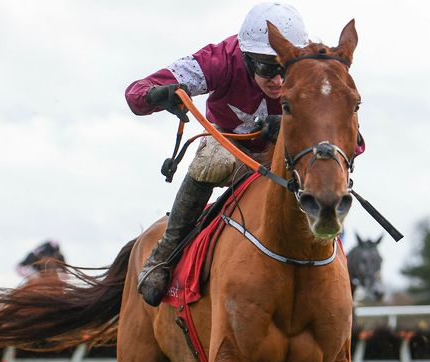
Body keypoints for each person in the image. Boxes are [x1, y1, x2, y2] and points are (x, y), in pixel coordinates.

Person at [125, 2, 311, 307]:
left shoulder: (313, 67)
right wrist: (155, 95)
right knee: (214, 159)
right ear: (245, 57)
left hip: (286, 158)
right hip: (230, 149)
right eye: (266, 67)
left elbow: (350, 140)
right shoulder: (220, 60)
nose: (277, 81)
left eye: (285, 68)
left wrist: (293, 127)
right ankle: (165, 253)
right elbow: (136, 92)